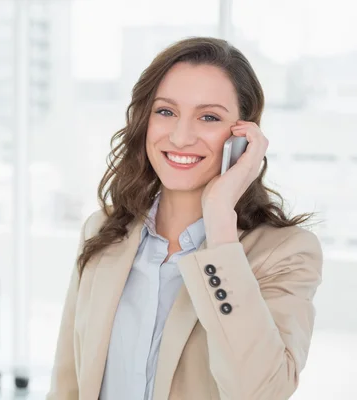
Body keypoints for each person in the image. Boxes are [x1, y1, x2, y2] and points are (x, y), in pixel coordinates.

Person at [46, 37, 323, 400]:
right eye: (166, 112)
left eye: (209, 117)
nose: (180, 136)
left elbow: (260, 392)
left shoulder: (285, 253)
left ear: (243, 137)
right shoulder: (103, 232)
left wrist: (221, 219)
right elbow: (67, 387)